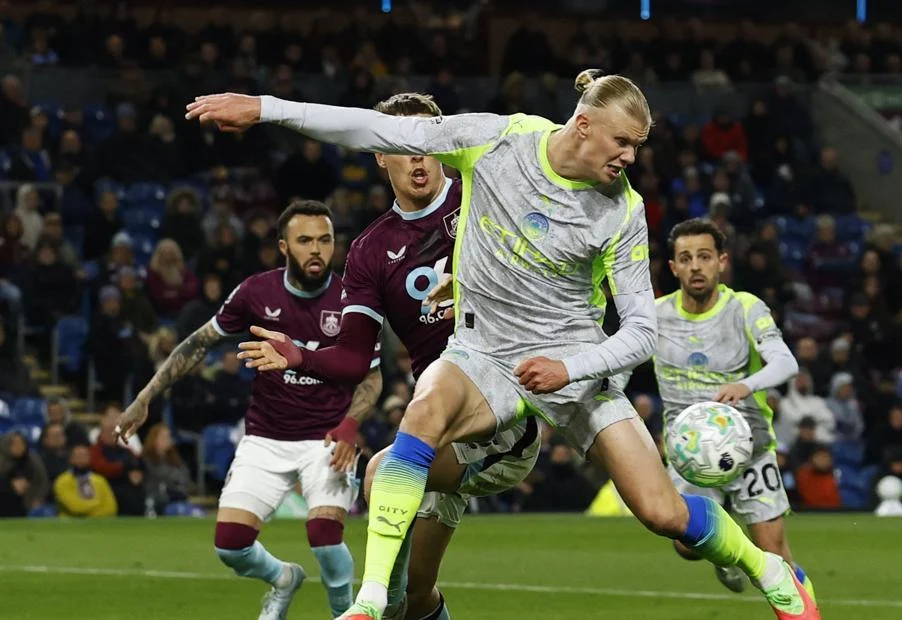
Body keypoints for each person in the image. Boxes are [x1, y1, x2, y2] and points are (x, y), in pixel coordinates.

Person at [188, 69, 818, 620]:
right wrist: (266, 108)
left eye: (637, 146)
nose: (631, 157)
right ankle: (372, 600)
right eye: (623, 143)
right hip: (484, 354)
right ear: (583, 126)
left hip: (573, 364)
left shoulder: (622, 210)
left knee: (663, 514)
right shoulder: (498, 140)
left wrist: (570, 366)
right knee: (421, 413)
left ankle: (771, 572)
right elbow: (377, 129)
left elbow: (641, 331)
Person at [265, 92, 541, 620]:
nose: (419, 154)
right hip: (435, 425)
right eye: (403, 143)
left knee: (379, 474)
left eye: (428, 141)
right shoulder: (370, 250)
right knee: (419, 595)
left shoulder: (484, 197)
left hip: (502, 416)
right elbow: (353, 359)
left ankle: (377, 606)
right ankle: (398, 605)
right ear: (380, 154)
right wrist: (300, 355)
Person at [114, 201, 376, 620]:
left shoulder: (353, 301)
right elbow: (198, 343)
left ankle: (344, 613)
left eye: (324, 240)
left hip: (326, 438)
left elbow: (372, 376)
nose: (316, 249)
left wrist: (351, 423)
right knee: (231, 546)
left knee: (325, 536)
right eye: (304, 240)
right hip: (265, 436)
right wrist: (145, 397)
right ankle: (283, 578)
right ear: (283, 246)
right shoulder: (256, 292)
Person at [653, 218, 815, 598]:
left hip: (749, 446)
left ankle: (805, 610)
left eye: (705, 256)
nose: (696, 266)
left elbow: (785, 362)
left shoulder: (745, 307)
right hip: (689, 450)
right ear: (673, 267)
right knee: (685, 543)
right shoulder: (654, 315)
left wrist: (746, 385)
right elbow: (622, 371)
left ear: (721, 261)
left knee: (774, 554)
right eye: (686, 258)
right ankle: (725, 554)